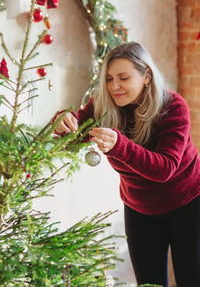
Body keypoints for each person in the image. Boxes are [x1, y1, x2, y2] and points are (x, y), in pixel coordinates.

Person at [54, 42, 200, 287]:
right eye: (109, 79)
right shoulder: (103, 105)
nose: (114, 87)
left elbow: (164, 168)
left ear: (146, 76)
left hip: (187, 203)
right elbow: (75, 132)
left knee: (192, 279)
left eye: (123, 78)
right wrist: (60, 121)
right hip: (139, 206)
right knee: (148, 283)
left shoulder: (173, 107)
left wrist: (120, 145)